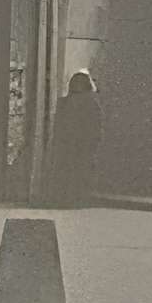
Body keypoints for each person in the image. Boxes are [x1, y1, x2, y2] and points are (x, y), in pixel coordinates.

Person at [43, 69, 103, 208]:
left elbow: (58, 126)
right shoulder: (92, 102)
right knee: (82, 170)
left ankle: (65, 198)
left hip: (67, 144)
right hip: (84, 144)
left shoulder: (64, 103)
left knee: (66, 170)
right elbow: (96, 126)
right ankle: (79, 199)